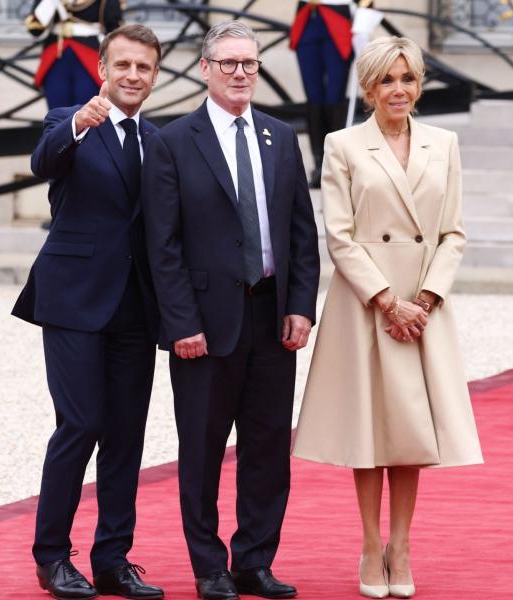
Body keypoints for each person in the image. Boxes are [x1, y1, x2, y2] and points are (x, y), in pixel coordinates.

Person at [291, 36, 483, 599]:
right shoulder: (343, 144)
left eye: (409, 79)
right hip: (365, 305)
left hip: (423, 307)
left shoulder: (443, 143)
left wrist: (423, 301)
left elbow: (453, 232)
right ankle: (371, 546)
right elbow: (340, 236)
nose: (399, 90)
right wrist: (385, 300)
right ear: (368, 86)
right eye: (388, 80)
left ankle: (402, 546)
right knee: (368, 430)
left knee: (410, 430)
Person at [142, 20, 321, 600]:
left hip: (271, 316)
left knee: (268, 448)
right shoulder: (172, 141)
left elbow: (300, 230)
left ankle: (254, 561)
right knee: (201, 451)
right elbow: (161, 245)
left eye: (250, 63)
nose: (241, 73)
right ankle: (209, 567)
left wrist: (301, 305)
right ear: (205, 69)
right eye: (229, 64)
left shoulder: (278, 135)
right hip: (204, 324)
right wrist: (180, 324)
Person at [11, 24, 165, 600]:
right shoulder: (69, 120)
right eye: (122, 65)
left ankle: (112, 559)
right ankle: (52, 556)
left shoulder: (158, 138)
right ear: (103, 68)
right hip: (74, 297)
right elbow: (42, 163)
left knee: (126, 435)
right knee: (80, 425)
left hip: (136, 305)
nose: (132, 76)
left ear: (155, 76)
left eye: (143, 67)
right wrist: (79, 123)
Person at [290, 0, 378, 188]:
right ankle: (318, 164)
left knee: (334, 94)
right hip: (308, 16)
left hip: (338, 16)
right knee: (313, 96)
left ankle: (335, 163)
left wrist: (363, 19)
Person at [26, 0, 124, 109]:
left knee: (87, 109)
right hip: (57, 55)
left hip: (89, 55)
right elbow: (35, 29)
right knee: (57, 110)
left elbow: (114, 29)